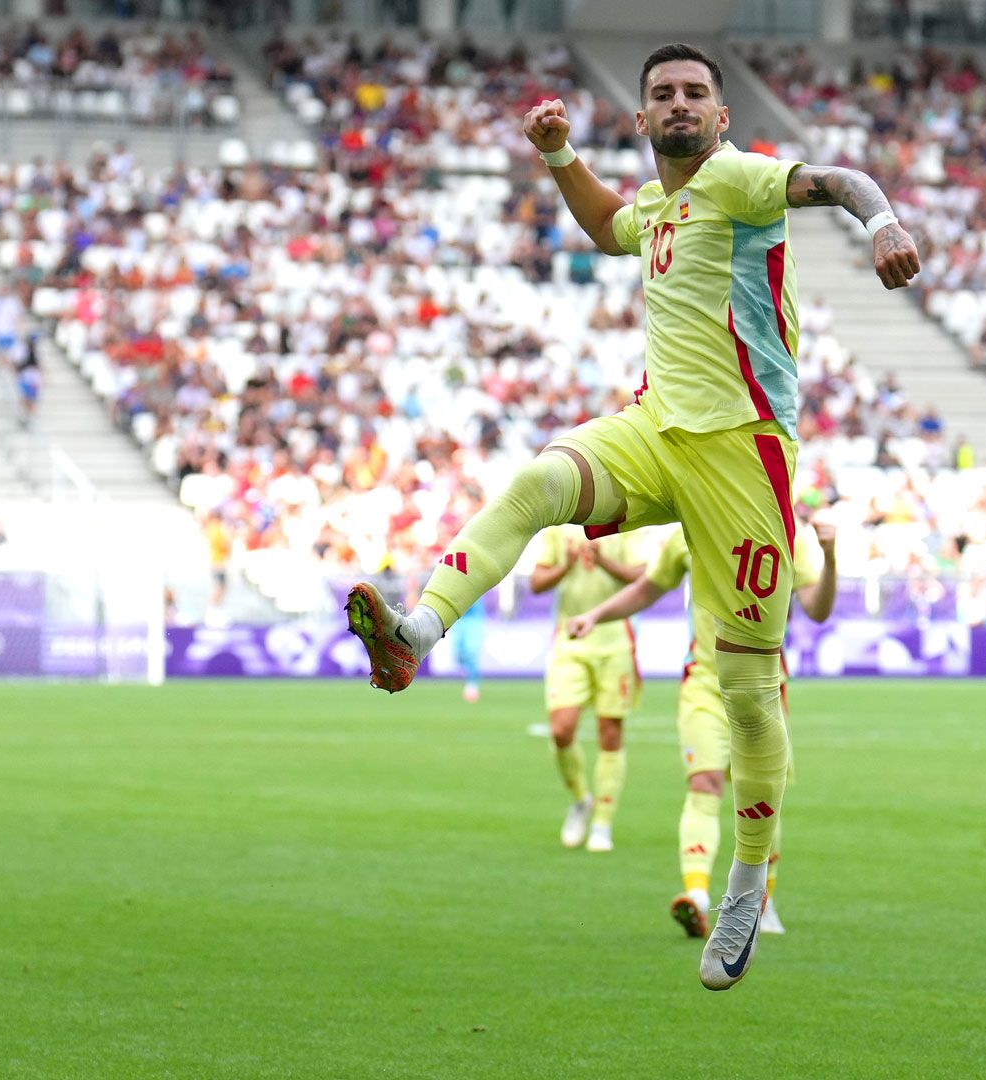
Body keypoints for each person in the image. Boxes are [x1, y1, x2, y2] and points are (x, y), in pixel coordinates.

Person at [343, 42, 919, 991]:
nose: (681, 103)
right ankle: (414, 632)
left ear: (721, 118)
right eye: (663, 95)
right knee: (535, 485)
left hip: (743, 452)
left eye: (697, 92)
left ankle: (744, 882)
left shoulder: (742, 179)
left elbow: (844, 178)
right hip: (655, 427)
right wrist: (561, 155)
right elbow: (611, 224)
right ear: (643, 120)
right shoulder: (657, 205)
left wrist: (883, 224)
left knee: (747, 695)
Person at [564, 515, 837, 941]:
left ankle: (761, 901)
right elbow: (647, 588)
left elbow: (817, 609)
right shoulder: (692, 525)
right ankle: (695, 894)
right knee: (704, 783)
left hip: (763, 688)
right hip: (705, 685)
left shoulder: (787, 530)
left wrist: (831, 555)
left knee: (763, 798)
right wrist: (596, 615)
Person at [528, 526, 647, 852]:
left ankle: (603, 823)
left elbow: (644, 576)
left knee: (610, 733)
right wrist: (565, 565)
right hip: (570, 640)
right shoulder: (559, 521)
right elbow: (536, 583)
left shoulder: (627, 515)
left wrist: (604, 561)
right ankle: (582, 800)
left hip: (615, 643)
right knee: (561, 729)